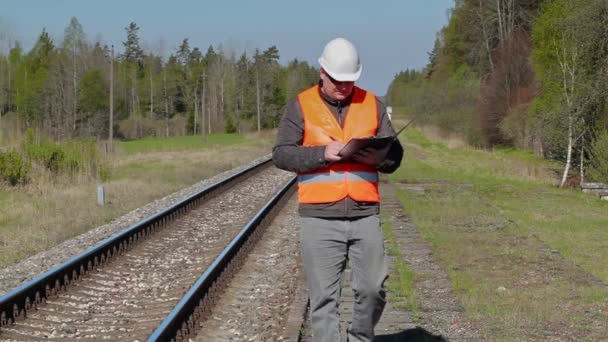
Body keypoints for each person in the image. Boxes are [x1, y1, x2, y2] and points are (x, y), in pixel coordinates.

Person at [273, 37, 403, 342]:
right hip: (319, 218)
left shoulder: (372, 104)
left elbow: (394, 158)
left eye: (350, 80)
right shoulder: (300, 105)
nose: (344, 86)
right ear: (322, 71)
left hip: (364, 214)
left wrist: (382, 157)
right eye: (338, 80)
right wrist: (322, 154)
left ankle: (360, 337)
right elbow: (281, 154)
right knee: (324, 302)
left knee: (373, 289)